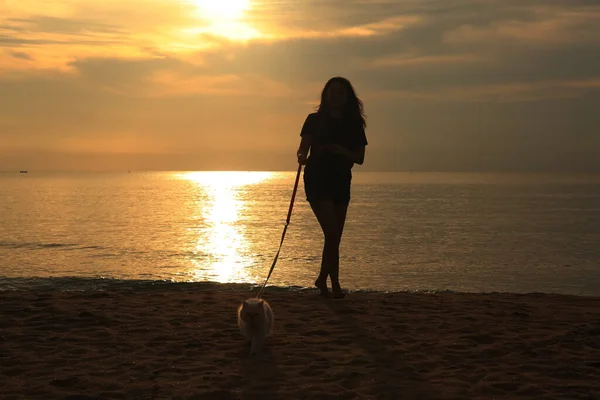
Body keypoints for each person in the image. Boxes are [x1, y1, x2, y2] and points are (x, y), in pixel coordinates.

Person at [296, 76, 368, 299]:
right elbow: (302, 149)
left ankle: (324, 281)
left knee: (334, 237)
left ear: (347, 97)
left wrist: (340, 150)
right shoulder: (313, 120)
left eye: (340, 92)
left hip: (341, 180)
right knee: (332, 232)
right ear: (325, 95)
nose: (336, 96)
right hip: (318, 178)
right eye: (332, 92)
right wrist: (301, 158)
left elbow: (360, 158)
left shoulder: (354, 125)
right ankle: (333, 284)